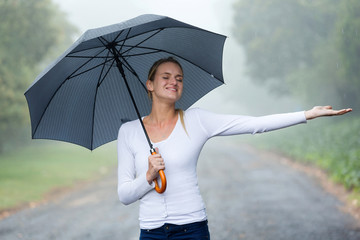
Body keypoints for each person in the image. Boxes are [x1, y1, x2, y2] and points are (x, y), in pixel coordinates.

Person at [117, 57, 352, 239]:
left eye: (179, 78)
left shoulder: (196, 120)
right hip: (150, 233)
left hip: (191, 229)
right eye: (165, 77)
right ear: (149, 84)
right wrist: (147, 177)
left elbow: (254, 124)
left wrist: (306, 114)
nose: (174, 82)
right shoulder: (129, 132)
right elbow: (125, 195)